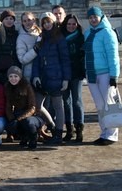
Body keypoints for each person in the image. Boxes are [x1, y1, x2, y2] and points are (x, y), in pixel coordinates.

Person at [32, 12, 71, 145]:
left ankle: (58, 134)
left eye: (49, 22)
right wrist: (36, 75)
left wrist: (66, 78)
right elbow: (36, 59)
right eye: (44, 22)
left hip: (56, 77)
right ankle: (53, 127)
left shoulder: (59, 38)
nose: (47, 24)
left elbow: (65, 59)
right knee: (37, 105)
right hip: (43, 78)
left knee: (58, 106)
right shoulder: (41, 38)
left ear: (53, 22)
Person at [84, 6, 120, 146]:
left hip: (105, 73)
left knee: (108, 104)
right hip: (92, 74)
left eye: (95, 17)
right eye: (91, 17)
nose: (93, 19)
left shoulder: (108, 32)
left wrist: (114, 75)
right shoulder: (88, 33)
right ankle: (104, 132)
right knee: (99, 106)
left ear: (101, 17)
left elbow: (113, 56)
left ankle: (111, 135)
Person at [4, 65, 44, 150]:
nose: (13, 79)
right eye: (10, 76)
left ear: (20, 77)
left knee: (28, 122)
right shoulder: (8, 87)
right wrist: (11, 119)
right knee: (11, 125)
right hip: (18, 113)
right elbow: (8, 107)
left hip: (33, 115)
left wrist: (19, 119)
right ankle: (23, 137)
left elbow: (32, 107)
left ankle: (34, 138)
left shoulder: (27, 86)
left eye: (16, 76)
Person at [61, 14, 86, 142]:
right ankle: (69, 130)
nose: (71, 26)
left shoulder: (81, 38)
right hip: (64, 74)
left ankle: (79, 130)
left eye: (73, 24)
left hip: (77, 73)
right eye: (69, 24)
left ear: (77, 25)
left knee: (77, 101)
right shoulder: (60, 37)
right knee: (66, 102)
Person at [0, 10, 19, 85]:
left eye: (11, 19)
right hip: (1, 70)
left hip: (14, 70)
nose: (9, 21)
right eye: (6, 19)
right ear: (2, 21)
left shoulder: (17, 34)